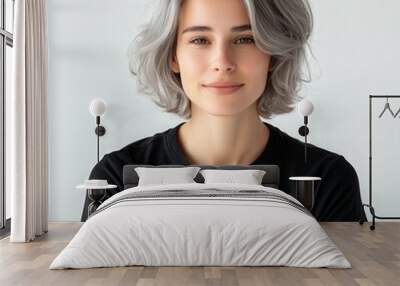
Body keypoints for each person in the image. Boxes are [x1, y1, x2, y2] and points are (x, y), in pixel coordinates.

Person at [81, 0, 366, 222]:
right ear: (172, 57)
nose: (223, 62)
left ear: (275, 55)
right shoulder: (114, 177)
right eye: (200, 40)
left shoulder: (329, 179)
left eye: (245, 39)